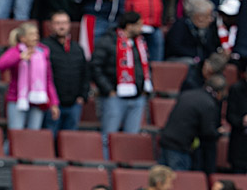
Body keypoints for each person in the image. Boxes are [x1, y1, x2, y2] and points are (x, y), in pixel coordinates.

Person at [92, 11, 153, 159]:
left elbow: (145, 66)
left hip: (137, 97)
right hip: (115, 97)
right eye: (139, 24)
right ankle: (106, 167)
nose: (141, 28)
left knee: (131, 139)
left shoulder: (140, 43)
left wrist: (144, 88)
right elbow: (95, 67)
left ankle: (126, 166)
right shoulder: (108, 41)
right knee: (109, 137)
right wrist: (108, 90)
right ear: (129, 25)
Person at [0, 22, 60, 131]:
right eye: (31, 34)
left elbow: (48, 80)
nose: (35, 37)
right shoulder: (16, 51)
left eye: (36, 34)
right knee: (16, 135)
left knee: (33, 136)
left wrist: (54, 103)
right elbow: (0, 65)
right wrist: (19, 57)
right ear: (23, 38)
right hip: (17, 99)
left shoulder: (43, 52)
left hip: (37, 100)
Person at [157, 75, 225, 172]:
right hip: (180, 147)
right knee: (178, 181)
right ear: (219, 92)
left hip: (166, 140)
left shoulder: (187, 94)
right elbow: (207, 131)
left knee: (162, 178)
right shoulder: (208, 104)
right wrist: (218, 132)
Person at [42, 11, 90, 135]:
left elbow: (85, 73)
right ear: (51, 26)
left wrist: (82, 96)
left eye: (64, 23)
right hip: (52, 104)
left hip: (74, 104)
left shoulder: (77, 48)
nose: (61, 26)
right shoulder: (44, 47)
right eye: (57, 23)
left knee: (70, 140)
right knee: (50, 138)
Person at [165, 0, 217, 64]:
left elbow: (211, 49)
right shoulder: (180, 25)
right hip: (178, 59)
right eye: (209, 16)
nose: (211, 19)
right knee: (192, 62)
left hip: (200, 59)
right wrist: (196, 55)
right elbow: (174, 47)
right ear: (200, 17)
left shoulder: (209, 28)